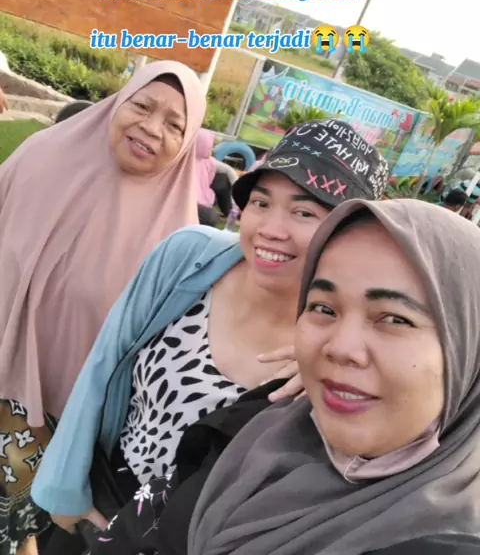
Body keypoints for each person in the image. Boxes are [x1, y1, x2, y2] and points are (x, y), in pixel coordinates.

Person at [31, 119, 390, 541]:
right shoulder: (187, 257)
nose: (270, 229)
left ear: (348, 234)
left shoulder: (348, 344)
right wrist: (64, 488)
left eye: (304, 212)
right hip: (103, 492)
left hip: (192, 537)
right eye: (261, 202)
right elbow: (104, 362)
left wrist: (324, 367)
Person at [90, 198, 480, 555]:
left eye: (395, 319)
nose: (340, 347)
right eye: (324, 308)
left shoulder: (444, 540)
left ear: (468, 348)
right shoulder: (260, 422)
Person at [0, 60, 206, 555]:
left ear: (187, 143)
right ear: (117, 103)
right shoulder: (40, 156)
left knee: (14, 530)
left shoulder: (182, 247)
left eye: (174, 125)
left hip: (55, 423)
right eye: (142, 106)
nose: (151, 128)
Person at [196, 129, 236, 227]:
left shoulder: (207, 161)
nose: (212, 149)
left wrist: (235, 199)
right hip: (189, 201)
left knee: (223, 178)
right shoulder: (182, 160)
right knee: (211, 218)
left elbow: (229, 170)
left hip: (205, 197)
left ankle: (229, 213)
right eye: (210, 146)